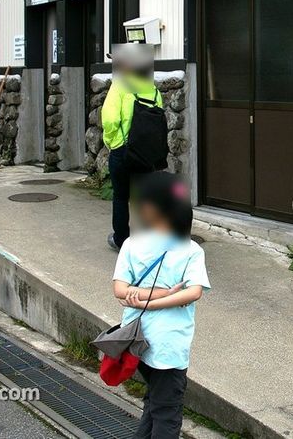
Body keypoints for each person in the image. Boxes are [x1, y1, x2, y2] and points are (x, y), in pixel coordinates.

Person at [112, 172, 209, 439]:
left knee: (154, 402)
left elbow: (120, 290)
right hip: (169, 346)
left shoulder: (131, 245)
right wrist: (164, 295)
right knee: (167, 412)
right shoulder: (190, 250)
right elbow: (194, 292)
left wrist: (143, 297)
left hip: (137, 340)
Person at [102, 43, 167, 250]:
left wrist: (113, 143)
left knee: (121, 196)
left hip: (123, 150)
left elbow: (110, 120)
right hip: (146, 153)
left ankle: (121, 239)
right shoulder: (154, 90)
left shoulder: (120, 86)